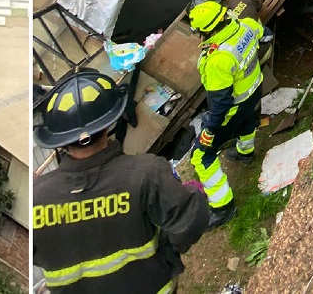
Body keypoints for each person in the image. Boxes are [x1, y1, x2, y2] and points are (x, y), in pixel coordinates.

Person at [34, 70, 209, 293]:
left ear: (60, 141)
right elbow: (192, 217)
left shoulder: (36, 199)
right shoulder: (146, 173)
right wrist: (166, 253)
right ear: (108, 123)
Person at [186, 0, 267, 229]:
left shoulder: (217, 59)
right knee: (247, 123)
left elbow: (220, 103)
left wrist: (210, 129)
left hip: (232, 107)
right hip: (253, 90)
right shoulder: (247, 26)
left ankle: (223, 207)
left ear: (206, 30)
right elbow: (262, 33)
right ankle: (245, 153)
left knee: (201, 157)